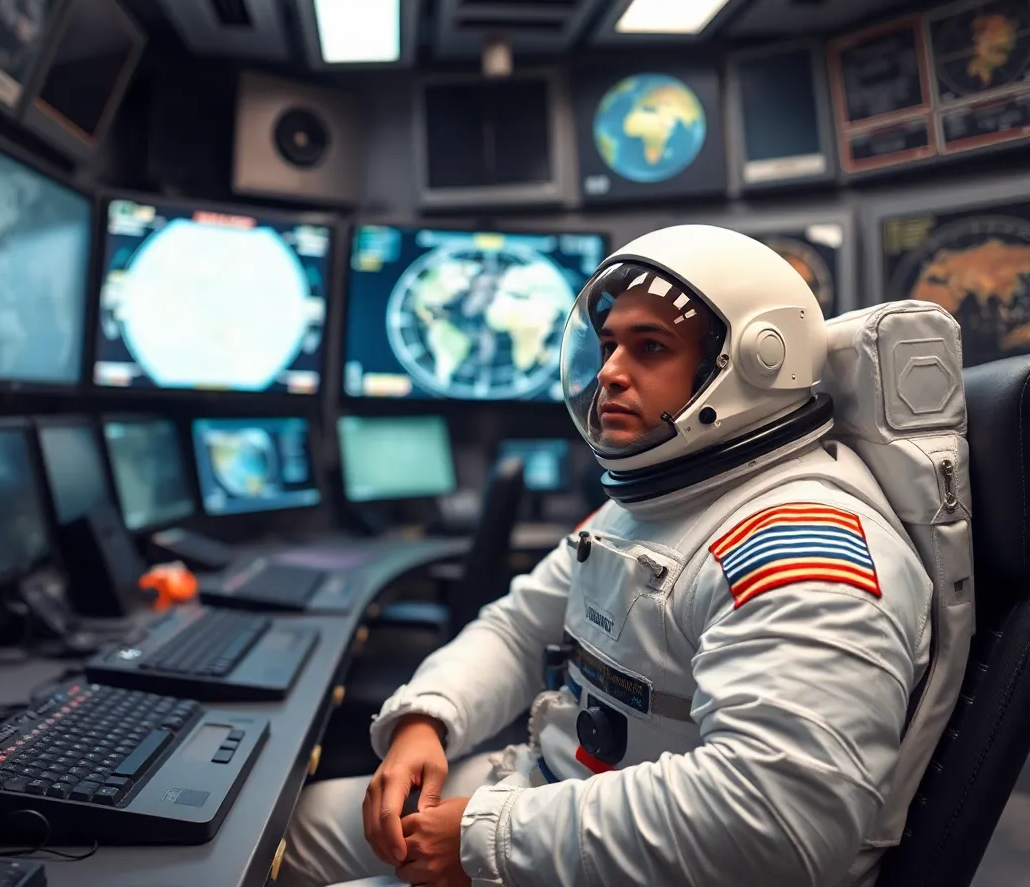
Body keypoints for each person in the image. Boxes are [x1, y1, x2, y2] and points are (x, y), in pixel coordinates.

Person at [277, 225, 950, 887]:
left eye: (650, 347)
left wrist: (487, 840)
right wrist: (427, 717)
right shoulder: (661, 498)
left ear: (753, 361)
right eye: (607, 345)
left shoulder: (804, 544)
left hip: (619, 856)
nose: (608, 373)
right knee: (277, 833)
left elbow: (776, 826)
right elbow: (518, 629)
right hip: (546, 795)